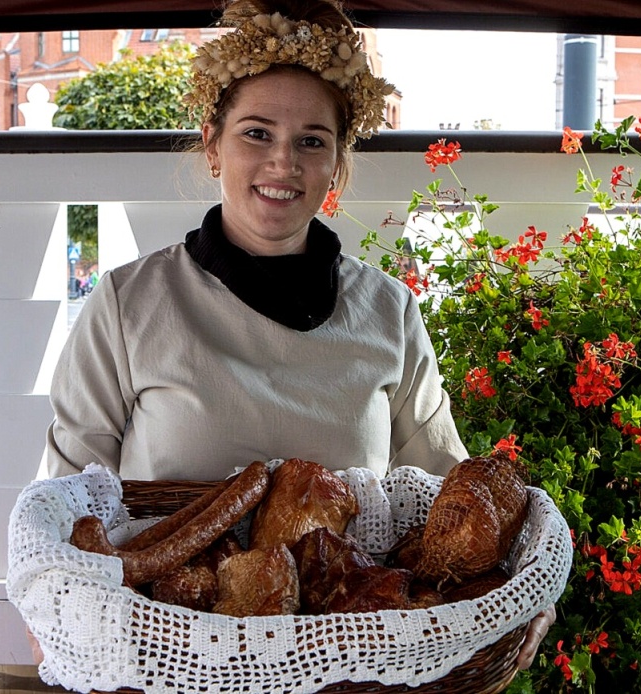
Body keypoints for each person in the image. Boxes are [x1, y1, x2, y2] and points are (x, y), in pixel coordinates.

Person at [34, 0, 554, 678]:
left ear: (338, 163)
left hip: (354, 670)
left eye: (312, 141)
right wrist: (53, 614)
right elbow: (68, 502)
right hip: (170, 661)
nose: (283, 162)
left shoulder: (389, 311)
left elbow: (443, 501)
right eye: (257, 133)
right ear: (212, 143)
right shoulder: (129, 304)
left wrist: (515, 600)